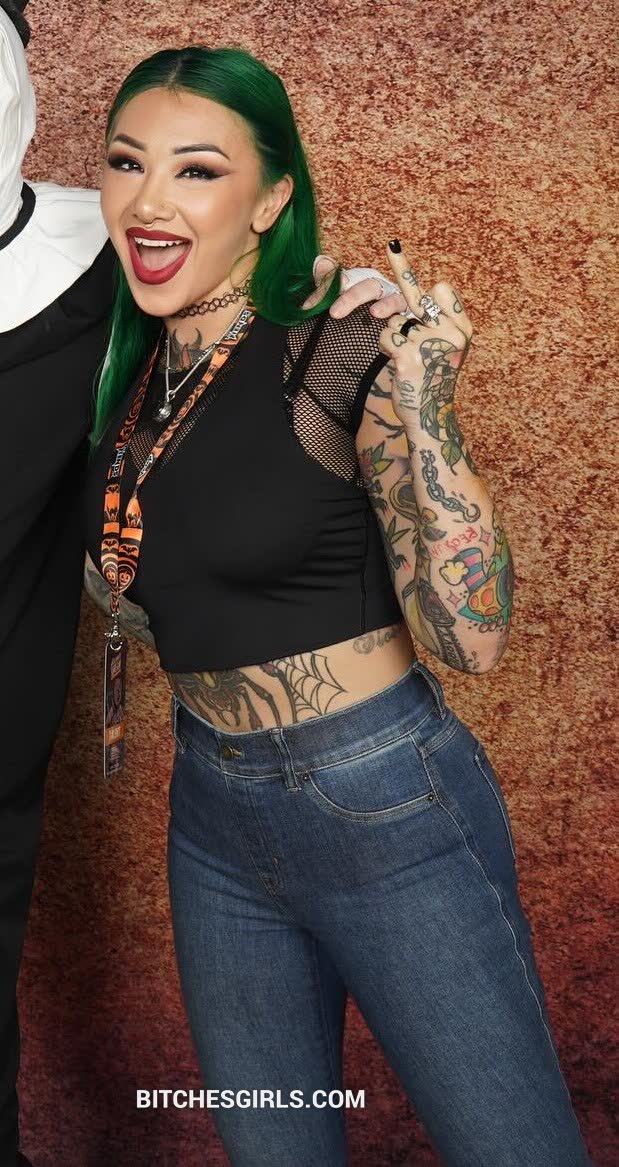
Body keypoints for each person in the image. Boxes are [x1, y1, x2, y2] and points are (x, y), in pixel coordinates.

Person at [81, 43, 593, 1167]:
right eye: (125, 162)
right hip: (210, 809)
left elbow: (472, 639)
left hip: (380, 798)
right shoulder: (129, 373)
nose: (150, 199)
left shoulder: (336, 343)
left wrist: (427, 404)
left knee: (510, 1147)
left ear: (270, 201)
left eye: (198, 170)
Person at [0, 10, 401, 1165]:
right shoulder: (118, 266)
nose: (155, 196)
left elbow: (230, 287)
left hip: (344, 770)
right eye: (134, 163)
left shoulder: (101, 262)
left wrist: (343, 316)